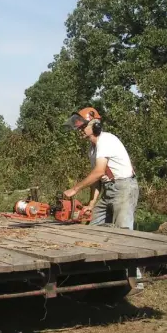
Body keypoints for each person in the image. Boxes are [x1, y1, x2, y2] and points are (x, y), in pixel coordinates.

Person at [62, 107, 143, 291]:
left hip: (124, 187)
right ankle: (102, 275)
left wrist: (75, 189)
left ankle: (136, 281)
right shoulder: (92, 150)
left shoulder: (106, 140)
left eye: (83, 127)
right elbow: (97, 180)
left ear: (96, 125)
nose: (80, 131)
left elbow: (99, 172)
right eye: (79, 128)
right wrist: (91, 204)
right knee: (93, 230)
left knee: (124, 233)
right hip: (108, 189)